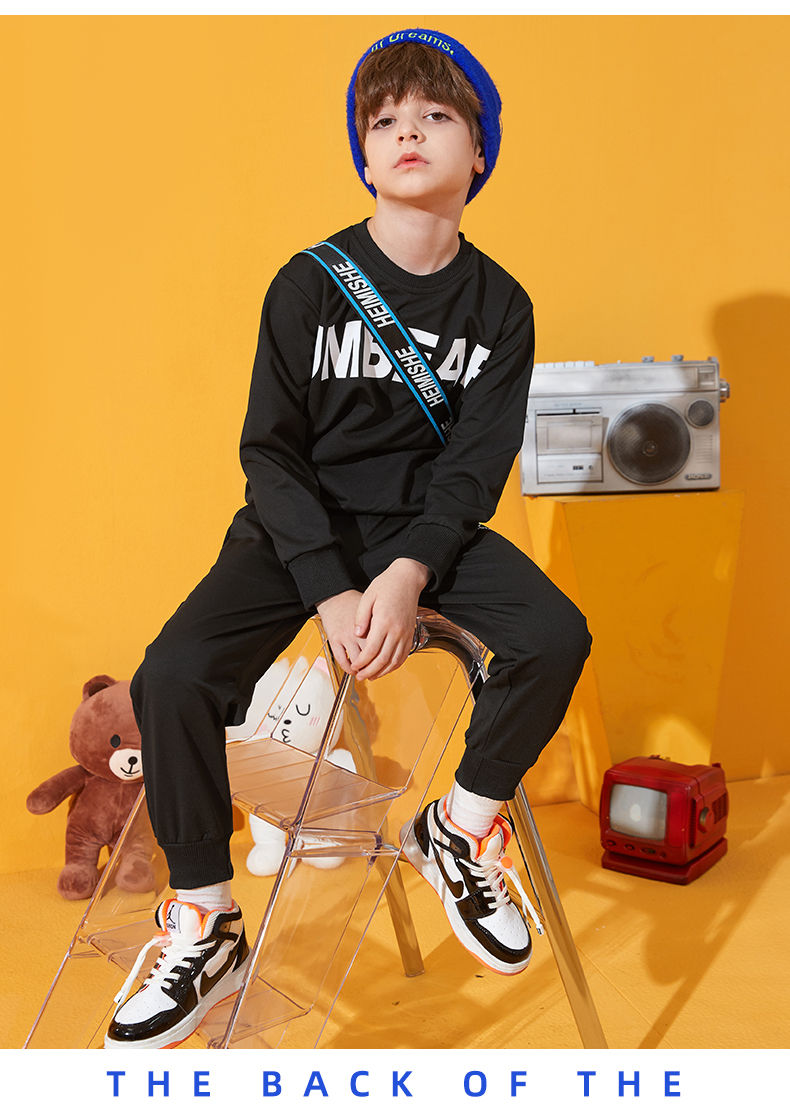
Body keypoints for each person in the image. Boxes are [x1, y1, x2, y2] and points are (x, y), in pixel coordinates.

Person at [104, 27, 592, 1051]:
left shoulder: (502, 305)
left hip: (427, 529)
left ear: (479, 151)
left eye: (435, 116)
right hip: (300, 527)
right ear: (364, 155)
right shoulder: (308, 282)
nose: (407, 132)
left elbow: (474, 467)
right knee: (173, 674)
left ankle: (458, 826)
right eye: (385, 121)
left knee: (555, 635)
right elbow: (269, 453)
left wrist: (410, 571)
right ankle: (205, 916)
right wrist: (329, 589)